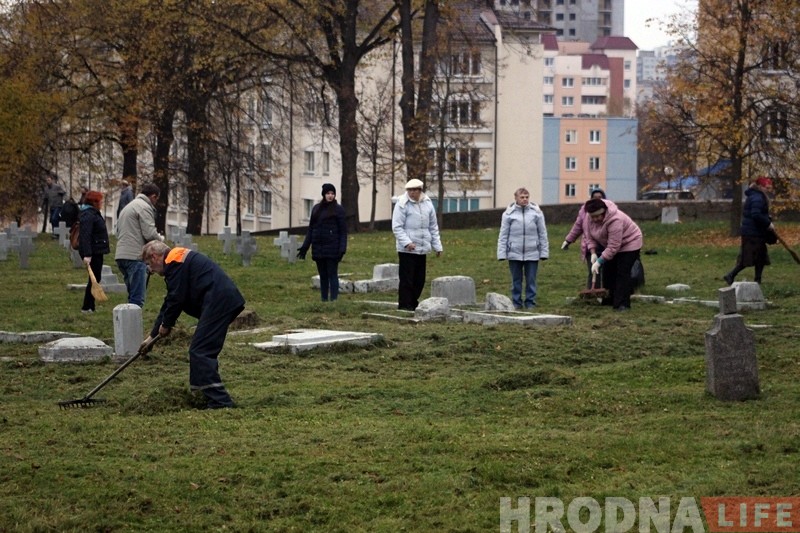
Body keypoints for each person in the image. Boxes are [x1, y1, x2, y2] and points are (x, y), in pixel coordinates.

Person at [140, 241, 245, 410]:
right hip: (216, 301)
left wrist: (166, 325)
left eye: (149, 265)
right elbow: (170, 301)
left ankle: (220, 401)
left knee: (201, 350)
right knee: (199, 349)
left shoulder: (174, 262)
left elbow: (177, 299)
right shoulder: (175, 260)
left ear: (154, 257)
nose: (151, 270)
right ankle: (200, 394)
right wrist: (152, 337)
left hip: (219, 301)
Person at [583, 197, 643, 312]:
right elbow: (589, 236)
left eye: (597, 216)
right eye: (592, 217)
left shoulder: (615, 219)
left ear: (604, 212)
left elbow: (614, 247)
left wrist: (599, 262)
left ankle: (622, 304)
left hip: (630, 243)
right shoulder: (588, 217)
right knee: (609, 271)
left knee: (622, 272)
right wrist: (593, 252)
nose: (594, 219)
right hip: (609, 245)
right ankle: (609, 299)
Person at [392, 178, 443, 311]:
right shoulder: (402, 204)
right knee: (407, 279)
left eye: (415, 190)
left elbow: (433, 226)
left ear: (420, 190)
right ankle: (405, 304)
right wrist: (407, 242)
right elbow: (397, 227)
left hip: (422, 247)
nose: (412, 193)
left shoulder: (427, 203)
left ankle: (413, 302)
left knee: (419, 279)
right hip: (407, 249)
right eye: (410, 190)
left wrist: (437, 246)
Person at [496, 187, 549, 309]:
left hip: (532, 252)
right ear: (516, 198)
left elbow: (542, 233)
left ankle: (530, 302)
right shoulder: (508, 214)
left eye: (527, 197)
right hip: (514, 252)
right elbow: (503, 235)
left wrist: (544, 252)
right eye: (522, 197)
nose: (525, 200)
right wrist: (502, 254)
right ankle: (516, 302)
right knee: (516, 280)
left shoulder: (537, 213)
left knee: (531, 280)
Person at [115, 183, 163, 307]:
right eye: (156, 199)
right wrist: (161, 240)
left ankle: (126, 323)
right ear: (153, 196)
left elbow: (117, 232)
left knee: (132, 295)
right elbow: (150, 234)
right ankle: (131, 325)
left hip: (121, 255)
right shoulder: (144, 207)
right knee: (137, 299)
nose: (156, 202)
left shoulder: (128, 207)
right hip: (135, 257)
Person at [297, 183, 347, 301]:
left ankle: (333, 300)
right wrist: (305, 247)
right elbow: (311, 229)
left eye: (332, 193)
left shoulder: (338, 210)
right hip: (318, 247)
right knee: (323, 275)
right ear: (324, 194)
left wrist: (342, 249)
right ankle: (324, 299)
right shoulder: (316, 209)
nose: (330, 196)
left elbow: (343, 231)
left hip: (332, 248)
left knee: (332, 274)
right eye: (328, 193)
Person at [723, 177, 775, 285]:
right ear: (760, 187)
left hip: (756, 232)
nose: (768, 189)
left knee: (760, 257)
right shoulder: (757, 197)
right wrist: (767, 223)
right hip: (752, 233)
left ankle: (757, 280)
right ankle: (730, 275)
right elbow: (756, 214)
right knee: (747, 257)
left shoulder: (757, 196)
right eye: (766, 187)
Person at [562, 188, 607, 289]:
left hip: (605, 246)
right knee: (593, 271)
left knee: (607, 272)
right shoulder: (584, 210)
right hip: (590, 247)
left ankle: (606, 293)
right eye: (595, 198)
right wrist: (568, 240)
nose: (597, 200)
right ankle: (592, 293)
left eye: (600, 198)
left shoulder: (608, 211)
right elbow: (578, 226)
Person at [78, 191, 110, 314]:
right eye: (100, 201)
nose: (101, 203)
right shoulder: (88, 215)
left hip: (96, 250)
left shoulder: (93, 213)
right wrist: (87, 254)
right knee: (93, 279)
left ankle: (90, 306)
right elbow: (85, 235)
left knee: (95, 278)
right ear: (94, 202)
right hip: (92, 252)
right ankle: (87, 307)